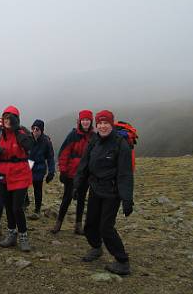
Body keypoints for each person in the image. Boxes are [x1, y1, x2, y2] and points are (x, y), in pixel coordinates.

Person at [74, 110, 134, 275]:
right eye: (99, 123)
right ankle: (96, 247)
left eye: (106, 123)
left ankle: (122, 261)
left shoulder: (120, 144)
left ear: (111, 124)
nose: (102, 126)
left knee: (106, 228)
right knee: (90, 225)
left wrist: (127, 199)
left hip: (112, 192)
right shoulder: (94, 140)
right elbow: (84, 164)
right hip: (95, 189)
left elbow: (125, 174)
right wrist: (77, 185)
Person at [0, 106, 34, 252]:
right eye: (5, 118)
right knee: (8, 205)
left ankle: (23, 236)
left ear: (16, 119)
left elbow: (30, 146)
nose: (7, 121)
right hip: (3, 174)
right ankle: (11, 234)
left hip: (20, 174)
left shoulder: (22, 133)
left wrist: (17, 131)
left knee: (17, 207)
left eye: (10, 118)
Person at [52, 110, 94, 234]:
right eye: (83, 120)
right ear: (80, 121)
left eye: (87, 120)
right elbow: (64, 153)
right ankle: (58, 223)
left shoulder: (93, 136)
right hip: (71, 174)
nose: (85, 122)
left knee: (81, 199)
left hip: (85, 173)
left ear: (91, 121)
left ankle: (78, 226)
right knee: (67, 198)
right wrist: (63, 171)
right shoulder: (73, 135)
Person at [27, 119, 55, 220]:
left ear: (41, 130)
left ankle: (37, 209)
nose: (35, 130)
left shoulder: (46, 141)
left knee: (37, 189)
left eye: (37, 129)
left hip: (39, 167)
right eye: (33, 128)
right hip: (28, 165)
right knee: (23, 186)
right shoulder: (27, 138)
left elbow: (50, 157)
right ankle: (25, 203)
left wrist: (51, 172)